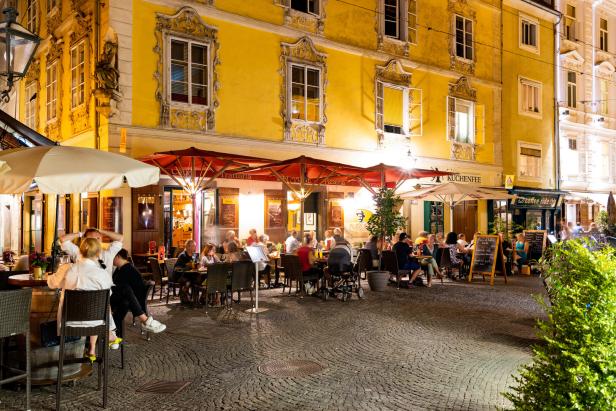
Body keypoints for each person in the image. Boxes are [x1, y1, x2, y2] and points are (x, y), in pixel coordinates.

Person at [47, 238, 121, 361]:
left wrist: (48, 276)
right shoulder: (102, 274)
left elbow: (52, 284)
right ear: (98, 254)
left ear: (80, 251)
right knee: (102, 304)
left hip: (68, 323)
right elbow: (107, 298)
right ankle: (110, 334)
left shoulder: (67, 269)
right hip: (97, 324)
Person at [111, 249, 166, 334]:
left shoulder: (127, 270)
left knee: (124, 303)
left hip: (132, 301)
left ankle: (115, 334)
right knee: (124, 303)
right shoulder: (121, 268)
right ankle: (116, 335)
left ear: (117, 256)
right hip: (127, 299)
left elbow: (138, 292)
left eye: (112, 256)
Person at [59, 228, 123, 278]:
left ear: (101, 240)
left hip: (83, 293)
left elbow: (120, 238)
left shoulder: (107, 254)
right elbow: (63, 239)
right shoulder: (78, 253)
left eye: (98, 238)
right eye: (91, 239)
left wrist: (100, 231)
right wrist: (81, 234)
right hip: (103, 293)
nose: (95, 241)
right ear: (84, 241)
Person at [173, 239, 197, 304]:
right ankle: (184, 296)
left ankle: (197, 299)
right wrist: (186, 267)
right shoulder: (183, 256)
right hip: (180, 276)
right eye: (194, 246)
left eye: (195, 246)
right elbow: (178, 268)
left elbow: (195, 265)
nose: (195, 247)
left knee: (198, 280)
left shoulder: (194, 255)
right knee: (188, 281)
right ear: (188, 247)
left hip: (190, 275)